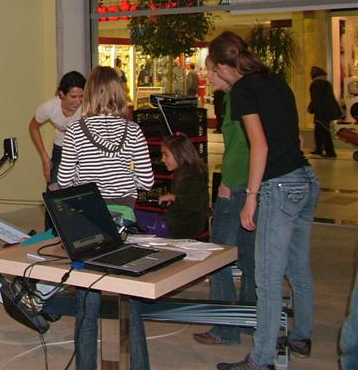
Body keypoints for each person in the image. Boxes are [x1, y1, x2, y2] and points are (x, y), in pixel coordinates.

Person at [209, 32, 319, 370]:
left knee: (268, 278)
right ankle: (300, 336)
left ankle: (260, 359)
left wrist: (251, 197)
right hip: (305, 178)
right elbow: (295, 136)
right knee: (297, 266)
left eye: (211, 68)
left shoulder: (243, 90)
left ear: (223, 66)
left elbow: (259, 145)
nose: (210, 75)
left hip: (279, 185)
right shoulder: (274, 80)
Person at [57, 65, 154, 370]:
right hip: (124, 220)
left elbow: (64, 181)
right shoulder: (134, 130)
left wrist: (87, 179)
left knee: (88, 303)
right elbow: (147, 181)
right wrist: (123, 180)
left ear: (89, 94)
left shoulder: (75, 130)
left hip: (88, 220)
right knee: (129, 301)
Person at [193, 56, 256, 346]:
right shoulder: (242, 95)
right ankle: (249, 320)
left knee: (218, 257)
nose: (207, 76)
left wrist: (228, 185)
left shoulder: (238, 98)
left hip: (237, 186)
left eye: (211, 70)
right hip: (250, 185)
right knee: (248, 258)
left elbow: (241, 147)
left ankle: (225, 327)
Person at [29, 71, 86, 229]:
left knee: (84, 192)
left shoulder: (88, 107)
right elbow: (33, 127)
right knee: (54, 191)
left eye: (81, 96)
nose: (78, 101)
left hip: (84, 150)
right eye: (73, 97)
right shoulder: (49, 107)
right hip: (61, 149)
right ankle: (51, 232)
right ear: (62, 94)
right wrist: (45, 158)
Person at [136, 134, 209, 239]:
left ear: (179, 154)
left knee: (133, 219)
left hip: (182, 226)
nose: (162, 159)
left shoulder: (195, 175)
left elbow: (197, 202)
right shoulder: (182, 173)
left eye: (166, 155)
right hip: (174, 222)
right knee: (134, 216)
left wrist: (173, 198)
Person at [308, 66, 341, 158]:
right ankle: (320, 149)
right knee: (321, 131)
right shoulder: (327, 83)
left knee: (323, 132)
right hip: (329, 111)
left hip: (321, 112)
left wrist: (312, 109)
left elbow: (316, 99)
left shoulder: (315, 84)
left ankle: (329, 151)